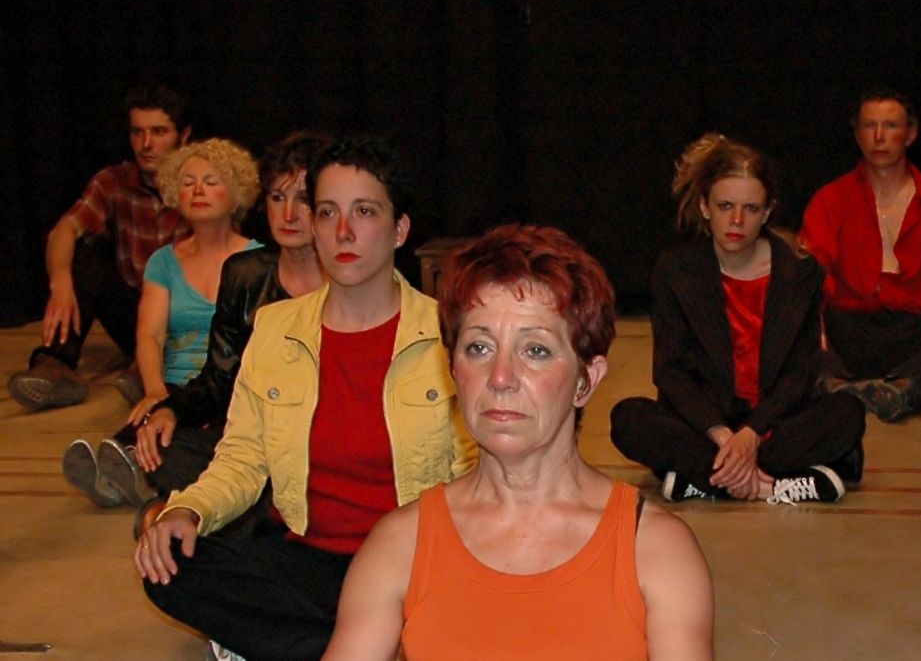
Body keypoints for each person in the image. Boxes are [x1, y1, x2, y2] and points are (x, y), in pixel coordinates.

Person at [134, 135, 477, 661]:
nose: (343, 231)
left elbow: (475, 477)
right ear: (314, 226)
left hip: (408, 563)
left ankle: (338, 642)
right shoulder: (275, 328)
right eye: (328, 212)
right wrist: (190, 511)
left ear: (400, 229)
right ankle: (371, 647)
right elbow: (243, 457)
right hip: (307, 557)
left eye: (364, 212)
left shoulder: (447, 335)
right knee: (169, 558)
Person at [323, 224, 714, 661]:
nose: (501, 377)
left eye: (536, 351)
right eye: (479, 348)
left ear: (586, 380)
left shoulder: (655, 549)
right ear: (452, 370)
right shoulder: (400, 545)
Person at [610, 133, 866, 505]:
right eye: (725, 205)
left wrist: (751, 435)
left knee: (847, 413)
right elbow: (670, 371)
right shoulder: (675, 269)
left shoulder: (801, 271)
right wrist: (723, 436)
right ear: (704, 206)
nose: (736, 220)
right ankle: (773, 484)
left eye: (750, 208)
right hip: (707, 425)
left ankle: (702, 479)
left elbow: (801, 371)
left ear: (767, 212)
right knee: (628, 418)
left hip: (773, 422)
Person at [108, 132, 328, 532]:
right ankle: (213, 501)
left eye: (304, 200)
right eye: (278, 198)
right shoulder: (245, 274)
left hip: (322, 440)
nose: (289, 214)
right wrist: (171, 409)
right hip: (248, 439)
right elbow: (218, 378)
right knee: (165, 440)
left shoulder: (351, 278)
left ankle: (194, 505)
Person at [62, 138, 261, 509]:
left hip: (229, 385)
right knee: (148, 425)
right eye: (188, 182)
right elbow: (149, 335)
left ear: (236, 192)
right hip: (175, 383)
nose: (197, 190)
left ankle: (135, 473)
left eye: (211, 181)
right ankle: (125, 469)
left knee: (186, 437)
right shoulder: (163, 262)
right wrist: (154, 391)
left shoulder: (258, 261)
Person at [799, 87, 921, 422]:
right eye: (869, 126)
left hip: (915, 332)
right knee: (795, 306)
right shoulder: (830, 200)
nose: (879, 137)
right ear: (857, 134)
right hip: (849, 331)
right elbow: (812, 269)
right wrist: (810, 313)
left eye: (890, 126)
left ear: (911, 134)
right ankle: (833, 383)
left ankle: (910, 385)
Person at [8, 85, 192, 411]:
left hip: (183, 316)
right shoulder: (115, 180)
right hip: (135, 310)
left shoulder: (200, 182)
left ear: (184, 135)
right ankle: (55, 364)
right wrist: (61, 284)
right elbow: (65, 230)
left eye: (158, 132)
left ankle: (154, 367)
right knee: (86, 254)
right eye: (137, 132)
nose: (146, 144)